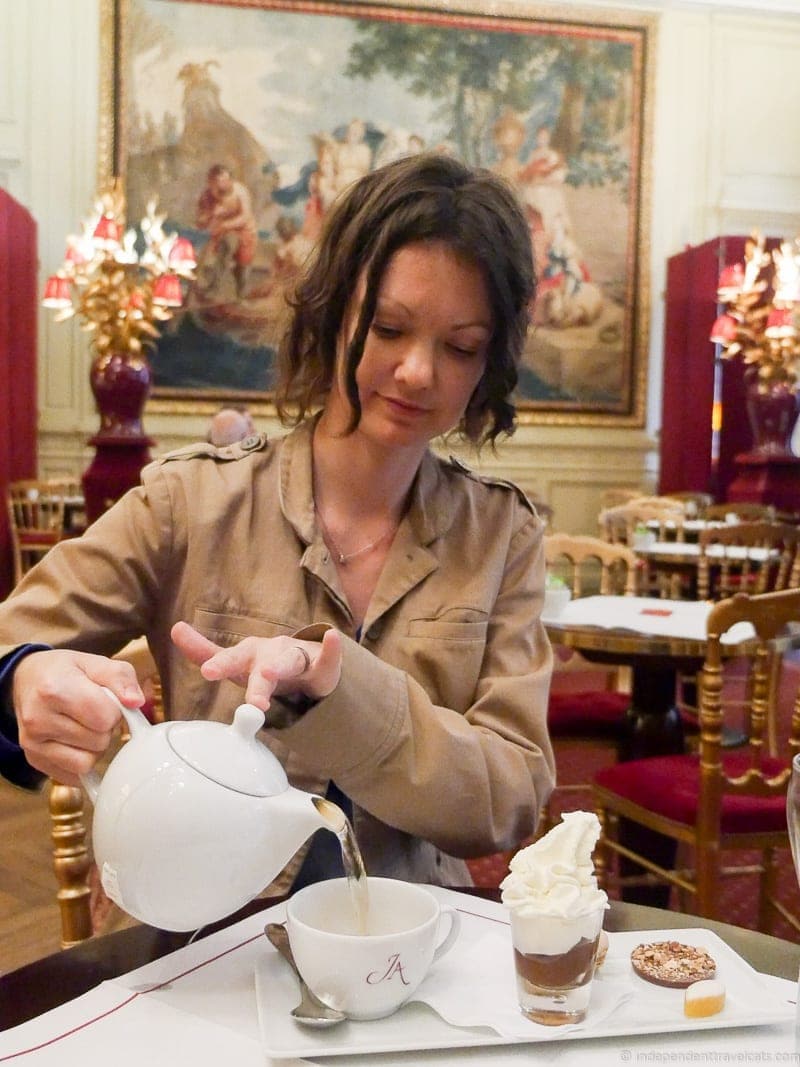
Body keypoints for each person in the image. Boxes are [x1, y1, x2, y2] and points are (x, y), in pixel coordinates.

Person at [0, 153, 554, 893]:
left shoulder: (501, 536)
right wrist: (25, 676)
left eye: (460, 346)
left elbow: (511, 795)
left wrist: (341, 697)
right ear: (331, 317)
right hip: (197, 936)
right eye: (388, 328)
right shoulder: (191, 501)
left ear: (490, 363)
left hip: (410, 945)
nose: (419, 371)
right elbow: (12, 640)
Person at [195, 163, 257, 299]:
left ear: (230, 180)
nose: (222, 184)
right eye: (217, 182)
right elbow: (200, 222)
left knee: (243, 263)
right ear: (211, 183)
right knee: (220, 251)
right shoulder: (207, 196)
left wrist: (226, 224)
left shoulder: (240, 191)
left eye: (225, 180)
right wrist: (210, 215)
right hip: (222, 234)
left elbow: (245, 216)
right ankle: (211, 289)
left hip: (244, 230)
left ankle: (242, 294)